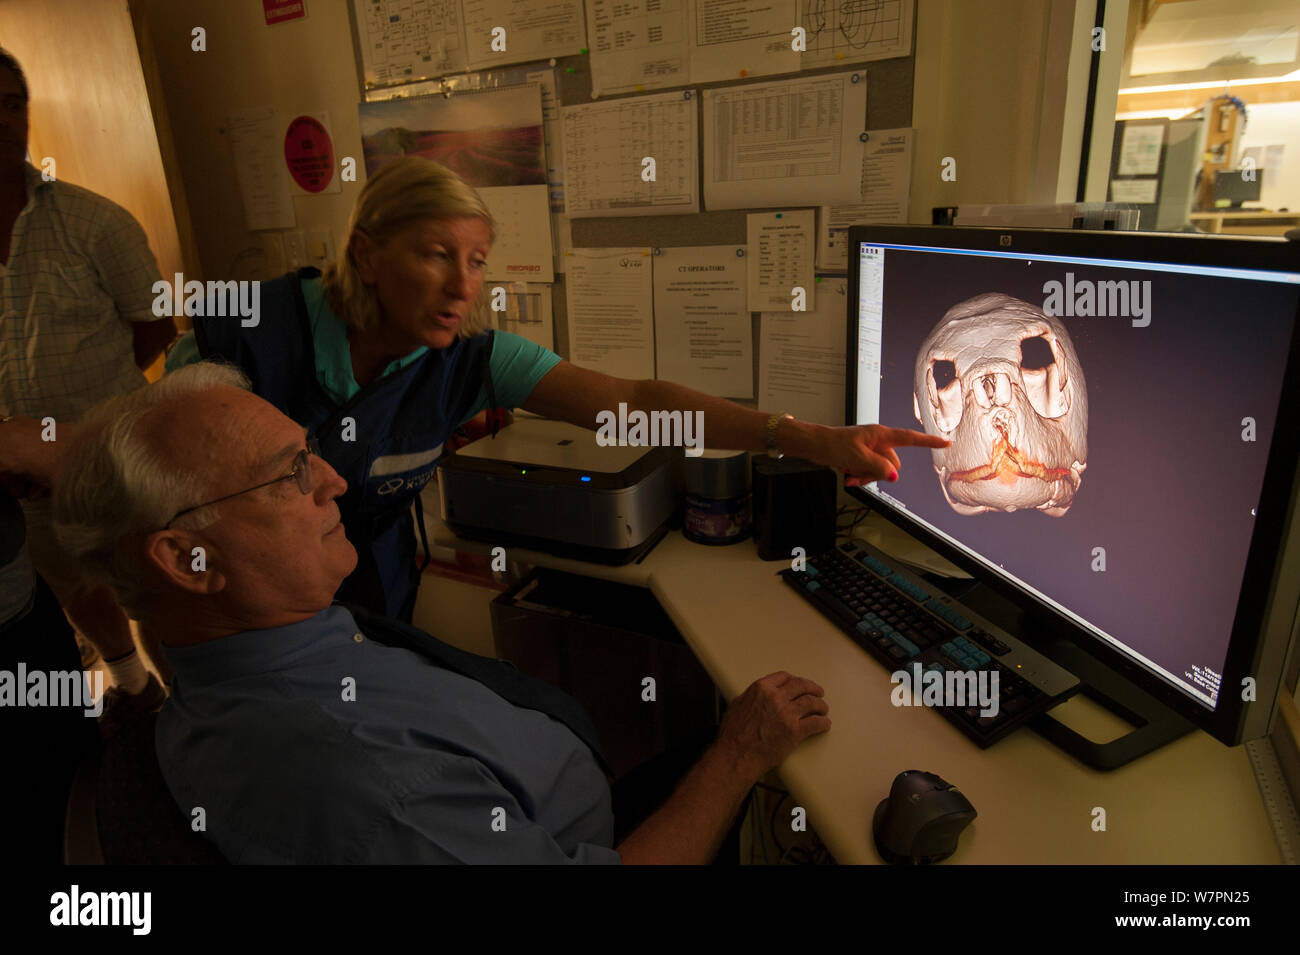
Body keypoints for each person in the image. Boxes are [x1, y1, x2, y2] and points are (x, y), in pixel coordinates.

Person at [52, 362, 834, 863]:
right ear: (188, 559)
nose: (336, 482)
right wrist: (737, 758)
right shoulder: (368, 786)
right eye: (289, 476)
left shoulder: (237, 647)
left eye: (311, 452)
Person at [165, 156, 949, 624]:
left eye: (475, 262)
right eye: (437, 254)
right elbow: (155, 479)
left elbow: (637, 403)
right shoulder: (251, 337)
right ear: (366, 255)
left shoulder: (472, 356)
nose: (461, 285)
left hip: (371, 590)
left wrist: (813, 438)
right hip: (244, 610)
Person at [0, 48, 177, 733]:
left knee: (152, 583)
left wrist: (95, 415)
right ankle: (133, 687)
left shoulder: (94, 222)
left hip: (107, 453)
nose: (4, 120)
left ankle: (196, 711)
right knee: (71, 585)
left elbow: (154, 327)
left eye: (13, 103)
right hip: (16, 480)